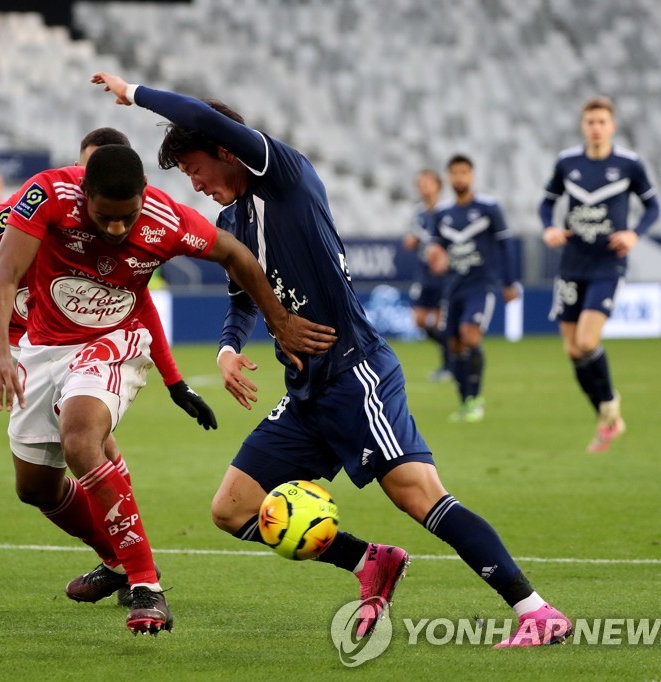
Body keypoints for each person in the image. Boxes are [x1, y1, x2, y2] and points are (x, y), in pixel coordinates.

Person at [91, 71, 571, 648]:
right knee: (233, 508)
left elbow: (210, 117)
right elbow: (242, 300)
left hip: (354, 372)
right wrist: (227, 348)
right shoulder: (232, 222)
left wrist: (134, 95)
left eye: (194, 169)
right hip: (305, 393)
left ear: (223, 152)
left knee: (417, 494)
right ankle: (369, 562)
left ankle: (536, 611)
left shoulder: (282, 176)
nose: (194, 184)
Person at [0, 144, 335, 635]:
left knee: (81, 441)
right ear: (84, 194)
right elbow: (3, 273)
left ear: (143, 197)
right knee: (34, 488)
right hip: (44, 349)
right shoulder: (47, 193)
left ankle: (147, 588)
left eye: (126, 218)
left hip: (115, 340)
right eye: (105, 218)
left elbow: (236, 255)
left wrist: (277, 320)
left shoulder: (166, 220)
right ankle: (117, 560)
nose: (116, 230)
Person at [0, 129, 216, 602]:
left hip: (51, 342)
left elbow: (134, 304)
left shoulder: (112, 230)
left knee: (95, 447)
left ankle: (120, 562)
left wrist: (175, 381)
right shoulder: (35, 206)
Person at [539, 96, 659, 452]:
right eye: (590, 121)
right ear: (583, 126)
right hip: (572, 263)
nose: (596, 127)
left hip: (607, 264)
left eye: (602, 122)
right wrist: (548, 227)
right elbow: (547, 201)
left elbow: (653, 205)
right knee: (572, 350)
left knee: (587, 342)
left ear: (612, 126)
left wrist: (634, 233)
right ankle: (608, 420)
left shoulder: (629, 165)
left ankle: (609, 403)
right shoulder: (567, 162)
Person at [427, 155, 520, 423]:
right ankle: (465, 400)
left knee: (470, 335)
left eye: (464, 172)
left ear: (472, 176)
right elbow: (435, 247)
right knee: (454, 344)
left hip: (481, 284)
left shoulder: (489, 208)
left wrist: (509, 282)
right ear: (448, 177)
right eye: (455, 173)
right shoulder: (442, 213)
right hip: (453, 286)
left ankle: (476, 399)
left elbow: (505, 245)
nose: (459, 178)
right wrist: (435, 256)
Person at [402, 169, 451, 382]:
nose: (423, 187)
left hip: (443, 275)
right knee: (420, 320)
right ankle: (454, 353)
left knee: (442, 321)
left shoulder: (447, 211)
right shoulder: (419, 212)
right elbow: (416, 237)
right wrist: (412, 241)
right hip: (424, 273)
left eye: (427, 183)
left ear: (438, 185)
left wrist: (444, 258)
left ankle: (449, 365)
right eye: (420, 183)